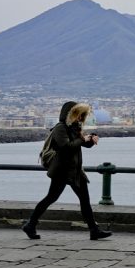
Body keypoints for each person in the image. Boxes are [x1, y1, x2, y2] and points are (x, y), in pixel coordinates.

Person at [23, 101, 112, 240]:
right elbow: (66, 147)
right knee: (51, 198)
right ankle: (30, 224)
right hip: (62, 170)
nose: (81, 118)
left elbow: (81, 144)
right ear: (71, 114)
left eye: (82, 115)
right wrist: (83, 140)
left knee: (84, 200)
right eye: (79, 115)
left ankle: (94, 230)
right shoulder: (60, 128)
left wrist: (90, 140)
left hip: (75, 170)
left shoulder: (75, 127)